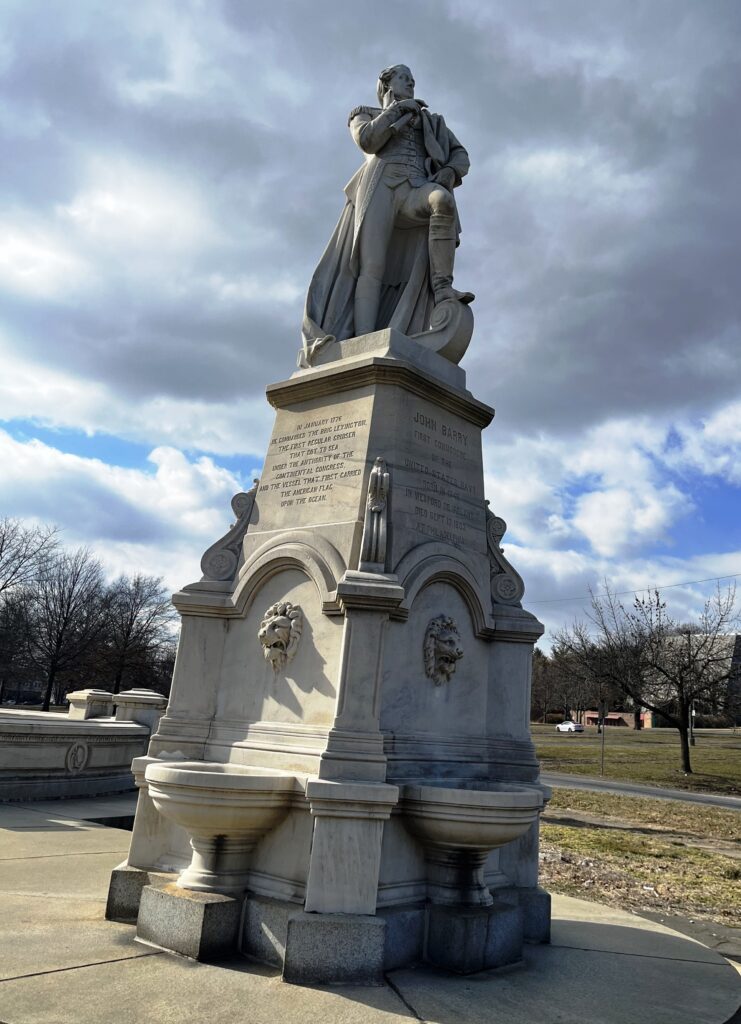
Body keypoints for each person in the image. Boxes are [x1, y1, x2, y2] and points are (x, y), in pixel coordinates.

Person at [300, 64, 473, 366]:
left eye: (413, 80)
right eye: (404, 78)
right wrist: (397, 110)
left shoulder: (431, 122)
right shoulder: (363, 113)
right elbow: (367, 140)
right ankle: (363, 342)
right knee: (372, 265)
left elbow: (461, 155)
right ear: (386, 84)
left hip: (415, 186)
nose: (411, 83)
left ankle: (443, 288)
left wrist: (449, 171)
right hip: (379, 184)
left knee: (442, 202)